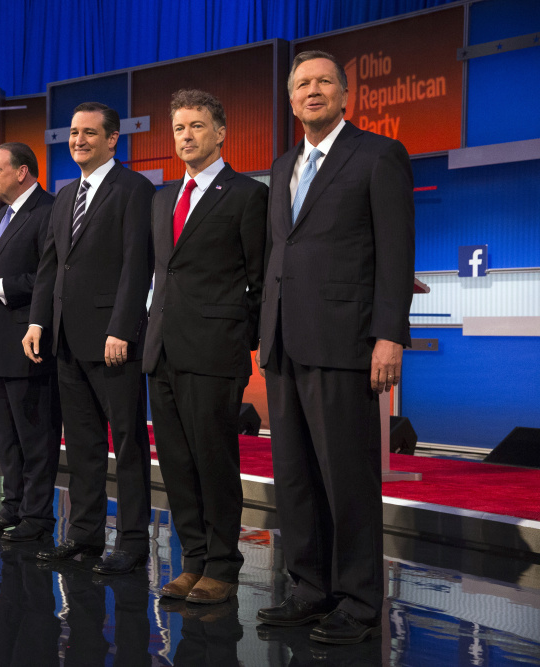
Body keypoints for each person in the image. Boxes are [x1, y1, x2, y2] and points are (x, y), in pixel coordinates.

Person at [256, 50, 415, 644]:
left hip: (345, 341)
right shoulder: (282, 164)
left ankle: (358, 599)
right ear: (291, 99)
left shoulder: (377, 155)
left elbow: (395, 254)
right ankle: (309, 588)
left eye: (324, 82)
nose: (312, 91)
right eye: (302, 85)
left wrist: (388, 335)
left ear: (346, 96)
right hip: (283, 340)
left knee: (347, 477)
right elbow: (282, 254)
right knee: (295, 475)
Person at [23, 102, 155, 575]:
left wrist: (122, 327)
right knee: (81, 445)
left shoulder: (134, 189)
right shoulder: (64, 196)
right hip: (64, 339)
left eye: (89, 133)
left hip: (112, 341)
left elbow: (137, 265)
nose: (79, 140)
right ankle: (83, 534)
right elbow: (50, 268)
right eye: (74, 133)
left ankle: (134, 540)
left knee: (127, 442)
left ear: (112, 139)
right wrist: (38, 321)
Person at [146, 90, 267, 603]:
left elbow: (260, 283)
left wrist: (240, 341)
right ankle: (191, 560)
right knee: (176, 463)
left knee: (214, 462)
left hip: (215, 350)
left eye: (197, 126)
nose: (187, 136)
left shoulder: (246, 195)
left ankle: (223, 565)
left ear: (220, 133)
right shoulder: (162, 197)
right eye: (179, 128)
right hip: (162, 350)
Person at [0, 143, 61, 542]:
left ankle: (38, 517)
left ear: (21, 172)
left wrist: (1, 286)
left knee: (35, 439)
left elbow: (50, 276)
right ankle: (13, 508)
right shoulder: (4, 213)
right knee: (7, 439)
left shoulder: (48, 209)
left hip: (28, 343)